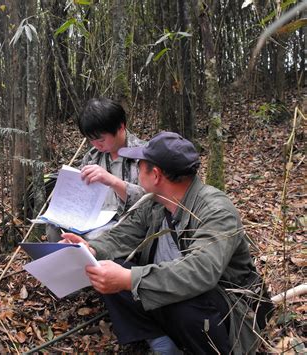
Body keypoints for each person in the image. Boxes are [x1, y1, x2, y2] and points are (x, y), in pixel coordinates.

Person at [62, 132, 273, 354]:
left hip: (228, 305)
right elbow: (124, 234)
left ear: (155, 175)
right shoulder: (154, 201)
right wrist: (92, 249)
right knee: (106, 267)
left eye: (139, 165)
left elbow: (200, 271)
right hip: (181, 292)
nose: (135, 170)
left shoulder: (216, 210)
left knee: (184, 302)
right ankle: (161, 341)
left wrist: (130, 279)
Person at [46, 98, 145, 241]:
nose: (96, 145)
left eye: (101, 140)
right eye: (91, 140)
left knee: (95, 237)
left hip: (127, 224)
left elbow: (149, 202)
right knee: (54, 228)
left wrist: (113, 181)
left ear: (121, 127)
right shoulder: (93, 156)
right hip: (92, 219)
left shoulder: (142, 155)